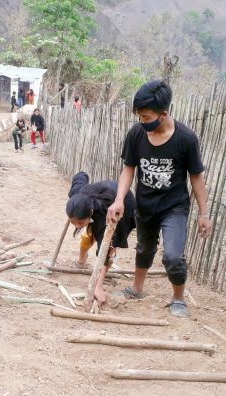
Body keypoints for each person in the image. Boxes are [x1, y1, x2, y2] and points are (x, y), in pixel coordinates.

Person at [107, 79, 212, 318]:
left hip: (173, 207)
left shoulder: (186, 139)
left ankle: (178, 299)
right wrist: (119, 199)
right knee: (144, 248)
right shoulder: (136, 134)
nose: (142, 122)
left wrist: (204, 214)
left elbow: (196, 177)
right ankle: (136, 289)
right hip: (145, 204)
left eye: (146, 118)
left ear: (163, 114)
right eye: (140, 117)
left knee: (173, 256)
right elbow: (129, 168)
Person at [66, 172, 136, 305]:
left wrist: (97, 287)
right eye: (72, 222)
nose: (76, 226)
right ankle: (81, 261)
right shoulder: (76, 195)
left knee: (109, 246)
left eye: (80, 223)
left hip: (123, 206)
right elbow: (81, 176)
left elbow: (104, 251)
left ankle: (98, 283)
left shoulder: (102, 217)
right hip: (103, 195)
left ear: (90, 214)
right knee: (87, 236)